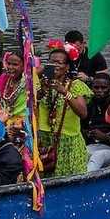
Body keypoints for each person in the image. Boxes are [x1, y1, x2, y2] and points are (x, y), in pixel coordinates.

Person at [36, 46, 91, 177]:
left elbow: (83, 113)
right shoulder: (39, 84)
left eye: (59, 63)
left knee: (71, 180)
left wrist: (65, 92)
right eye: (51, 62)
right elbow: (32, 105)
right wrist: (42, 89)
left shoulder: (75, 85)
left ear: (67, 67)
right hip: (45, 141)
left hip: (68, 143)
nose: (55, 65)